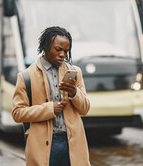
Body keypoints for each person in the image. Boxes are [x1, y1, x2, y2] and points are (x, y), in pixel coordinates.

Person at [12, 26, 90, 166]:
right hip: (42, 146)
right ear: (46, 46)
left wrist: (74, 93)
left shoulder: (75, 72)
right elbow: (17, 113)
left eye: (66, 51)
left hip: (73, 144)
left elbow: (85, 109)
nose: (63, 55)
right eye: (58, 49)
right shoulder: (26, 76)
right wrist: (49, 109)